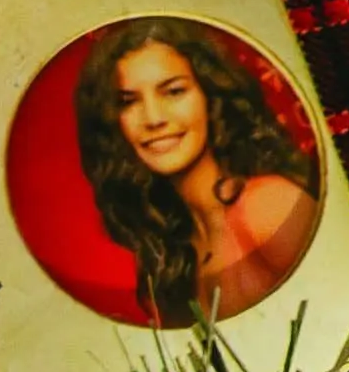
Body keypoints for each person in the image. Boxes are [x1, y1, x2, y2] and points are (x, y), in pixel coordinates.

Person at [65, 17, 323, 327]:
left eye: (173, 91)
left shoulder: (266, 203)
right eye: (128, 102)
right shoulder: (165, 256)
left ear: (210, 97)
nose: (154, 118)